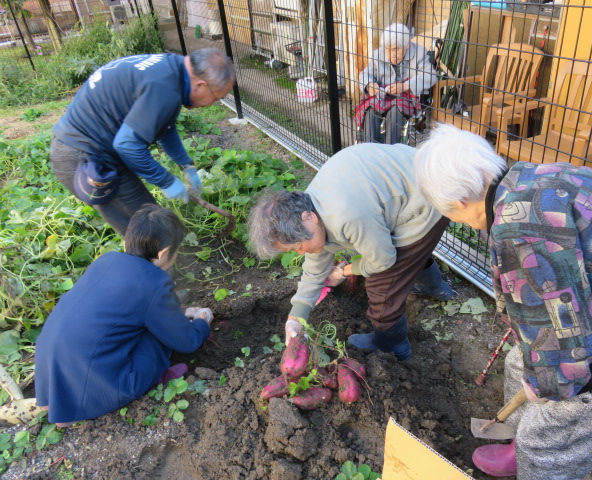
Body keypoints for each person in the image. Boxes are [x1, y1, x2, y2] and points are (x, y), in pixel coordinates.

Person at [414, 124, 592, 479]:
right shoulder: (544, 176)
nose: (458, 221)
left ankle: (532, 456)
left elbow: (571, 338)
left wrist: (548, 385)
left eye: (450, 214)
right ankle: (515, 442)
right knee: (520, 361)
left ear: (458, 202)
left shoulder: (518, 231)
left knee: (546, 445)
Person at [248, 142, 453, 361]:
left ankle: (393, 346)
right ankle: (434, 288)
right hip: (413, 178)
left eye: (298, 247)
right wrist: (295, 317)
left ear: (309, 219)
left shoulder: (348, 217)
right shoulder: (307, 209)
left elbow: (383, 261)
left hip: (430, 196)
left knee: (381, 285)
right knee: (405, 257)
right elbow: (314, 270)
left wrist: (345, 271)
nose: (300, 252)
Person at [35, 204, 213, 426]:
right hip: (96, 382)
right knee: (157, 334)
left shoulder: (107, 260)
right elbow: (188, 341)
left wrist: (179, 311)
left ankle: (58, 403)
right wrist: (201, 321)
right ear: (164, 252)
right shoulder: (154, 283)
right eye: (176, 251)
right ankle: (150, 378)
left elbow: (119, 309)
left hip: (50, 366)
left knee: (145, 322)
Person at [50, 48, 235, 235]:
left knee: (151, 228)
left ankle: (157, 260)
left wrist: (186, 165)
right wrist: (166, 181)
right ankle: (154, 262)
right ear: (201, 85)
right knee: (152, 234)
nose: (211, 104)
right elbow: (127, 145)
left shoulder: (172, 69)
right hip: (86, 158)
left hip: (91, 148)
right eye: (216, 97)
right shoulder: (165, 88)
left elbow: (165, 125)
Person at [355, 23, 437, 145]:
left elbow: (430, 75)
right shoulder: (377, 54)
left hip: (406, 97)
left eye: (396, 49)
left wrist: (405, 86)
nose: (391, 54)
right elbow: (364, 75)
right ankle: (370, 152)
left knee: (396, 110)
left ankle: (389, 152)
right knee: (371, 109)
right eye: (388, 49)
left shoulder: (420, 53)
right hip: (383, 96)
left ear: (407, 45)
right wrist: (369, 84)